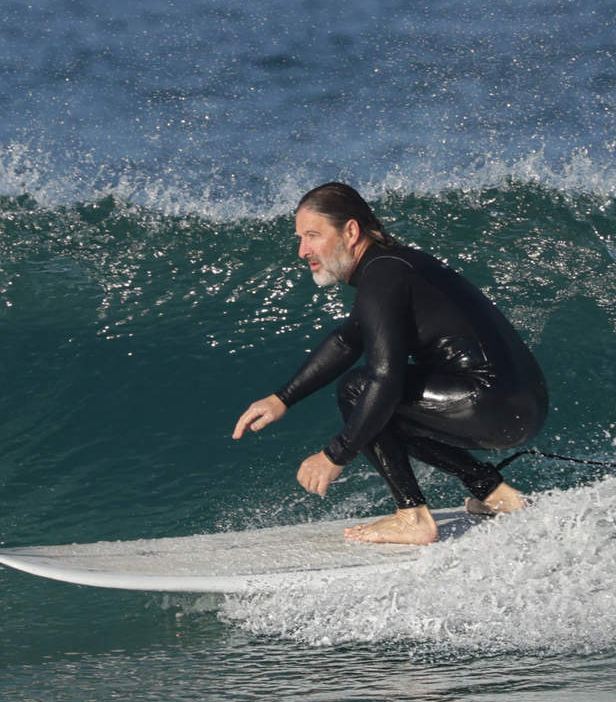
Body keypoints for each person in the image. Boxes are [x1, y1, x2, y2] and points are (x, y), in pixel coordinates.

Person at [232, 182, 550, 545]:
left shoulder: (383, 275)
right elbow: (347, 339)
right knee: (383, 404)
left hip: (488, 403)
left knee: (361, 390)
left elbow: (386, 380)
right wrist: (281, 399)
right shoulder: (391, 267)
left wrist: (335, 455)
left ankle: (412, 515)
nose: (303, 250)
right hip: (519, 405)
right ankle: (494, 493)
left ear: (350, 231)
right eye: (300, 237)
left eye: (313, 235)